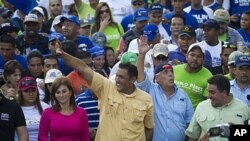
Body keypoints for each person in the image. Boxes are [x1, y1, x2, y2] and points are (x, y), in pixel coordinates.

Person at [49, 39, 154, 141]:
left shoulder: (146, 99)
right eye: (117, 76)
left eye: (121, 77)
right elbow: (83, 67)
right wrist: (62, 54)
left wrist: (141, 56)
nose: (117, 79)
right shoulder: (106, 87)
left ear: (132, 79)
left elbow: (149, 129)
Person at [136, 35, 194, 141]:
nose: (170, 75)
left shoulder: (183, 95)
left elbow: (190, 123)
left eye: (171, 71)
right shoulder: (150, 90)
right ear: (156, 78)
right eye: (165, 72)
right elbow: (139, 77)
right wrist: (141, 55)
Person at [185, 74, 250, 141]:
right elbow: (192, 137)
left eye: (212, 92)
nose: (209, 96)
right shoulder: (201, 107)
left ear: (224, 93)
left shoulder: (243, 109)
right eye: (208, 91)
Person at [174, 43, 213, 109]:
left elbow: (208, 103)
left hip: (195, 116)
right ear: (186, 56)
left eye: (199, 56)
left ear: (203, 60)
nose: (195, 58)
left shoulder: (209, 77)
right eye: (192, 55)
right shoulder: (174, 70)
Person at [16, 76, 49, 141]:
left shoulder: (45, 107)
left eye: (33, 90)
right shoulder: (15, 109)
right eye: (26, 91)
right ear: (20, 93)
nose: (31, 94)